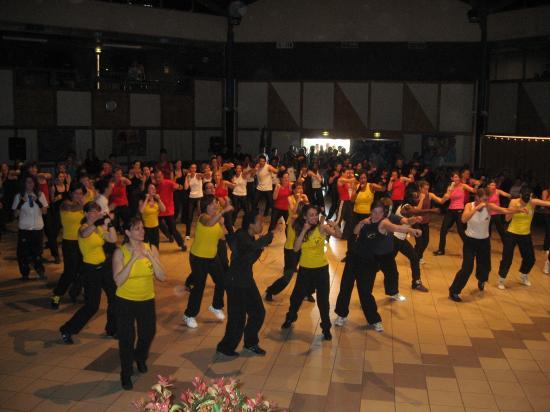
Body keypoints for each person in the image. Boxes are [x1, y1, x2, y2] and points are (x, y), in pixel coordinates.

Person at [112, 216, 166, 390]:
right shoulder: (120, 252)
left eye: (142, 228)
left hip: (146, 300)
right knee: (127, 339)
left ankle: (140, 357)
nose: (142, 231)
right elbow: (118, 280)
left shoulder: (151, 248)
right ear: (127, 232)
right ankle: (126, 373)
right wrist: (133, 259)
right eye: (137, 229)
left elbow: (162, 276)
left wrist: (151, 257)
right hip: (125, 301)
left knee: (148, 333)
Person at [448, 188, 525, 302]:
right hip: (470, 241)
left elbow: (504, 210)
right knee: (467, 268)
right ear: (477, 198)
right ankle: (454, 291)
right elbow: (464, 220)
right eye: (484, 199)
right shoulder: (469, 205)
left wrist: (519, 210)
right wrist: (476, 209)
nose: (486, 201)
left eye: (487, 199)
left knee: (485, 266)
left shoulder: (489, 206)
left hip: (484, 241)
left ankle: (481, 280)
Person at [216, 212, 274, 357]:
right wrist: (263, 242)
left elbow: (249, 257)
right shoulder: (241, 237)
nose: (262, 225)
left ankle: (250, 342)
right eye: (259, 222)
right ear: (251, 225)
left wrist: (259, 247)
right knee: (238, 318)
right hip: (235, 282)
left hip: (245, 279)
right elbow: (247, 251)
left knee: (258, 312)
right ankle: (225, 347)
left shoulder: (248, 236)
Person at [281, 205, 342, 341]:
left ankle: (326, 328)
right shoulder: (299, 228)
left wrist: (335, 226)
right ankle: (290, 317)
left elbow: (339, 235)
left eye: (316, 214)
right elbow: (296, 249)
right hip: (305, 269)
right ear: (305, 217)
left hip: (321, 269)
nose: (314, 217)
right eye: (311, 215)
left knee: (323, 301)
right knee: (296, 297)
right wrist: (304, 231)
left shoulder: (322, 227)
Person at [59, 201, 118, 344]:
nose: (96, 213)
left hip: (104, 267)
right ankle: (67, 329)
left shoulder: (98, 229)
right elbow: (85, 234)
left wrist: (109, 224)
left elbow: (113, 238)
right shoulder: (83, 228)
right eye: (92, 211)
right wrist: (98, 223)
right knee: (92, 306)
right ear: (86, 213)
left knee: (115, 298)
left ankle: (112, 329)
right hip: (90, 270)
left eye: (97, 211)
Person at [182, 195, 232, 329]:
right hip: (198, 258)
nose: (216, 205)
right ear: (206, 206)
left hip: (212, 257)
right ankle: (189, 315)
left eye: (216, 203)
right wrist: (222, 212)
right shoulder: (203, 217)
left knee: (222, 281)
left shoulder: (217, 221)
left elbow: (224, 237)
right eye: (213, 203)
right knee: (199, 287)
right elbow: (209, 223)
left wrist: (223, 224)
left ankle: (216, 306)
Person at [265, 183, 314, 302]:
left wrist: (306, 201)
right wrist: (298, 200)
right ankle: (270, 290)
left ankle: (307, 292)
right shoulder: (292, 215)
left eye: (301, 188)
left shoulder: (305, 215)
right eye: (298, 188)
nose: (300, 190)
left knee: (307, 272)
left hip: (302, 248)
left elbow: (310, 213)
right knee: (288, 275)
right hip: (291, 249)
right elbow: (293, 211)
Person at [497, 187, 550, 289]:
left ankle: (523, 275)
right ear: (520, 195)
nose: (527, 200)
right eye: (525, 197)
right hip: (511, 233)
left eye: (529, 197)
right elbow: (507, 219)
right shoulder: (513, 202)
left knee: (530, 258)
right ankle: (501, 279)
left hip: (525, 234)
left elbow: (547, 203)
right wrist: (517, 210)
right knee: (507, 258)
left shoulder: (532, 202)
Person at [51, 183, 86, 309]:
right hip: (69, 243)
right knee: (69, 273)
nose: (79, 196)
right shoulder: (65, 205)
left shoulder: (81, 206)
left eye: (81, 193)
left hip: (82, 242)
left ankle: (74, 292)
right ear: (71, 193)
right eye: (76, 193)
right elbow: (72, 210)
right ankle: (56, 295)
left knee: (82, 270)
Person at [12, 175, 48, 280]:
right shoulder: (18, 196)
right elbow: (15, 214)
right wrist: (21, 202)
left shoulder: (40, 195)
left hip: (37, 229)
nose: (30, 184)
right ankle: (24, 273)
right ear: (24, 184)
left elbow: (45, 212)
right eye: (27, 182)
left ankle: (40, 271)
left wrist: (37, 201)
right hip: (24, 229)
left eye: (32, 182)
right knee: (23, 253)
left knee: (38, 253)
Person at [433, 172, 476, 256]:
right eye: (454, 177)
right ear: (452, 178)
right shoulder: (450, 187)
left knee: (461, 231)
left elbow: (473, 190)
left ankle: (471, 250)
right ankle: (441, 250)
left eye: (457, 177)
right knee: (443, 230)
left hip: (459, 210)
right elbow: (447, 197)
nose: (456, 179)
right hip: (450, 210)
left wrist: (476, 185)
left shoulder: (463, 186)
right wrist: (451, 188)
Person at [411, 181, 446, 263]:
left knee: (426, 241)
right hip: (417, 222)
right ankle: (416, 258)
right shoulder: (416, 195)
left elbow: (441, 201)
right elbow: (417, 210)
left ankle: (417, 255)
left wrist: (446, 196)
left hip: (425, 221)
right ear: (420, 188)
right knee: (419, 242)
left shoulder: (430, 195)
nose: (426, 190)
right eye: (425, 189)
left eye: (428, 189)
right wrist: (422, 199)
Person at [155, 170, 186, 252]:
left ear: (162, 176)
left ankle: (182, 244)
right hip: (159, 210)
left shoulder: (168, 182)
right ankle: (169, 236)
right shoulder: (155, 186)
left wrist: (177, 186)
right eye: (156, 177)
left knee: (173, 228)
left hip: (169, 210)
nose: (158, 179)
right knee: (159, 225)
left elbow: (179, 187)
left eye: (159, 177)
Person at [139, 183, 166, 249]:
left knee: (155, 247)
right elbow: (141, 211)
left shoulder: (156, 200)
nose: (153, 190)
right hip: (146, 228)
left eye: (154, 188)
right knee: (145, 247)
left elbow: (163, 209)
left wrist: (159, 199)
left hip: (155, 227)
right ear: (147, 190)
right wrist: (146, 199)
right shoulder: (142, 200)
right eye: (151, 188)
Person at [184, 163, 203, 239]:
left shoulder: (198, 175)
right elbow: (185, 188)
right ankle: (187, 234)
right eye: (192, 168)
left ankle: (201, 233)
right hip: (191, 198)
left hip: (199, 197)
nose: (193, 169)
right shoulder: (188, 177)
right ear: (190, 169)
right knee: (189, 217)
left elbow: (206, 175)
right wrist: (186, 177)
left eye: (195, 168)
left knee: (200, 216)